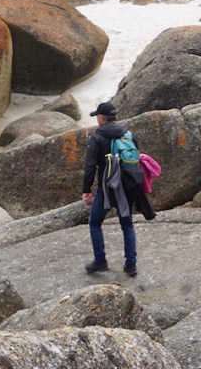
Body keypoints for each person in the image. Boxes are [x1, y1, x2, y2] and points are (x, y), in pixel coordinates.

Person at [82, 101, 152, 277]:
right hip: (128, 185)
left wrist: (86, 190)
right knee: (127, 224)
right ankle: (131, 265)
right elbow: (136, 158)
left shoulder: (97, 138)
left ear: (101, 118)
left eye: (97, 116)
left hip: (107, 188)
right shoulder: (128, 135)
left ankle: (100, 261)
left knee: (95, 222)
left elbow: (90, 166)